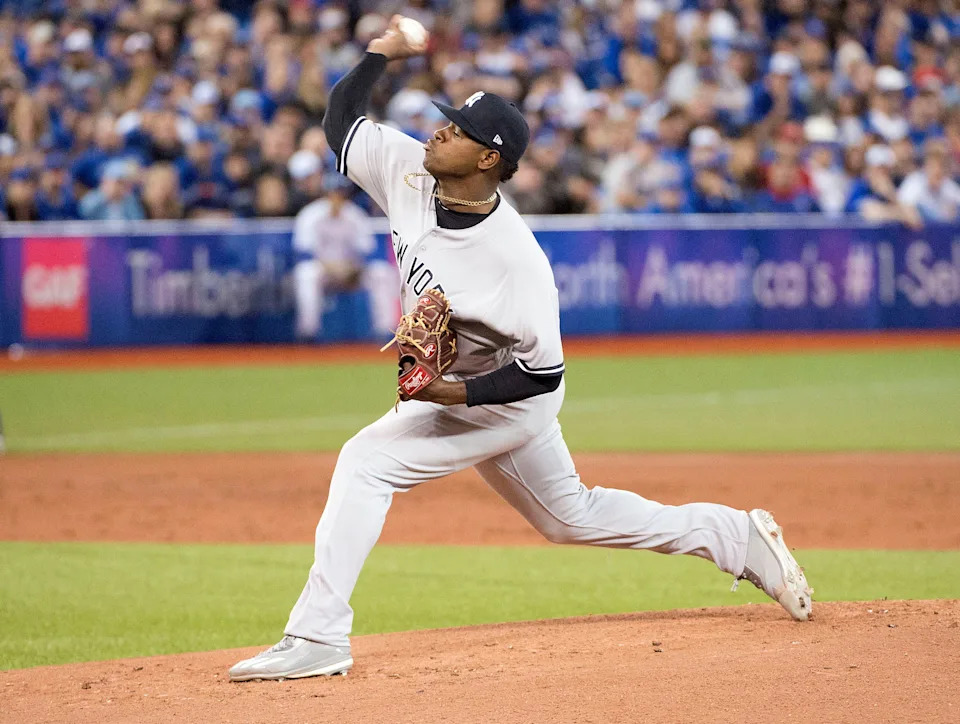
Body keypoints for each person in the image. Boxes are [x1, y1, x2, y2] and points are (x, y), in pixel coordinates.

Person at [228, 16, 813, 683]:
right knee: (571, 516)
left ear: (488, 160)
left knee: (364, 463)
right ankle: (736, 537)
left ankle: (318, 635)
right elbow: (343, 122)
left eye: (457, 130)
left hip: (506, 396)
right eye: (445, 119)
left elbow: (541, 375)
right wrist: (378, 54)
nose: (438, 129)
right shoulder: (409, 172)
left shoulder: (515, 263)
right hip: (479, 390)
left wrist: (450, 393)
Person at [292, 172, 377, 341]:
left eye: (340, 192)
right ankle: (308, 333)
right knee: (306, 274)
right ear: (325, 193)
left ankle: (384, 332)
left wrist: (352, 268)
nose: (336, 196)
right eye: (333, 192)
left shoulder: (355, 215)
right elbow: (303, 253)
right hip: (323, 270)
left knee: (381, 274)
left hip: (351, 272)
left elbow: (367, 251)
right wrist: (331, 267)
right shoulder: (310, 214)